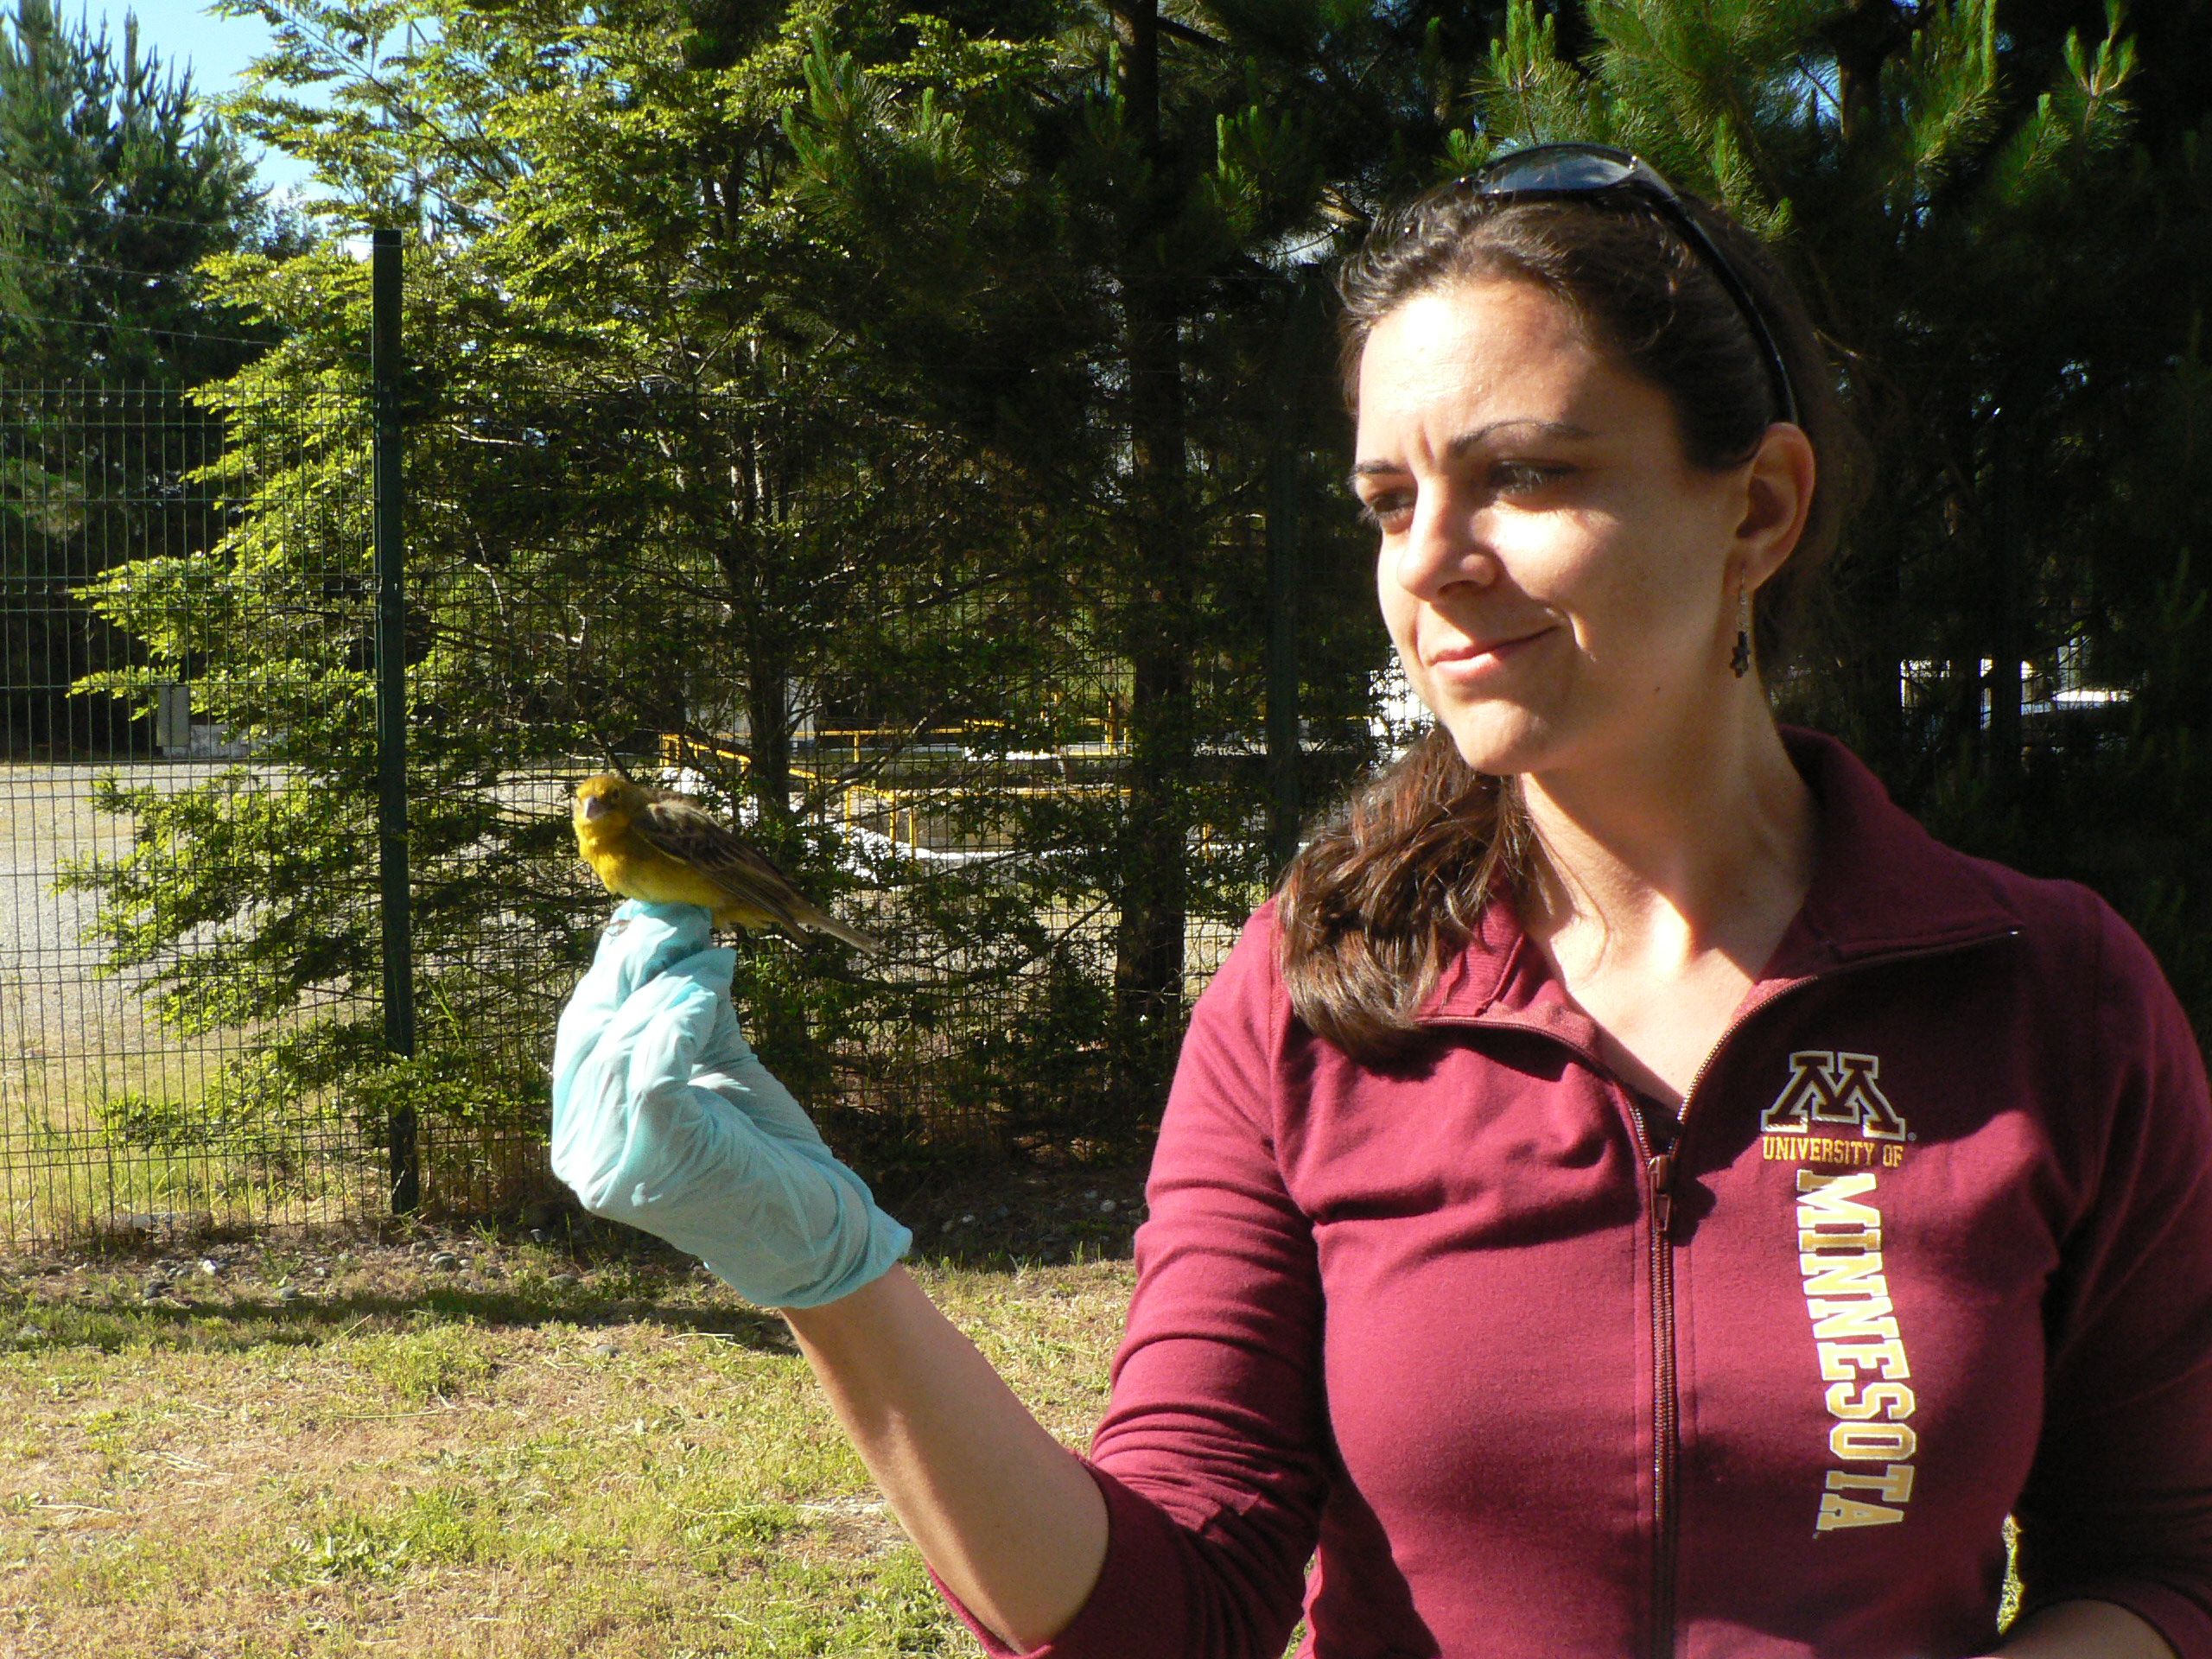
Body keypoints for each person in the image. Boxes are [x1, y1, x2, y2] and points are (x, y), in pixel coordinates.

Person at [549, 145, 2212, 1659]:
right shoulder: (1314, 999)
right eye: (1387, 501)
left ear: (1758, 510)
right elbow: (1168, 1610)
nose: (1428, 563)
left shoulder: (2045, 995)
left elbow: (2165, 1562)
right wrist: (830, 1272)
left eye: (1528, 476)